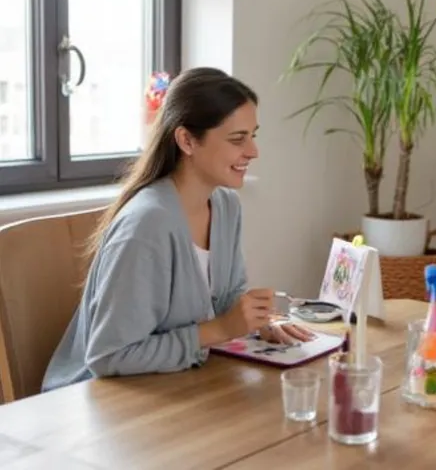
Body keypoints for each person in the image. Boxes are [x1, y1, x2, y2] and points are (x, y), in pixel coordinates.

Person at [42, 67, 314, 392]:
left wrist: (257, 322)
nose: (253, 151)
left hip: (175, 388)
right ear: (186, 140)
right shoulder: (146, 224)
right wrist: (220, 329)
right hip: (98, 405)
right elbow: (109, 356)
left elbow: (228, 299)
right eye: (237, 138)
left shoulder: (226, 206)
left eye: (253, 135)